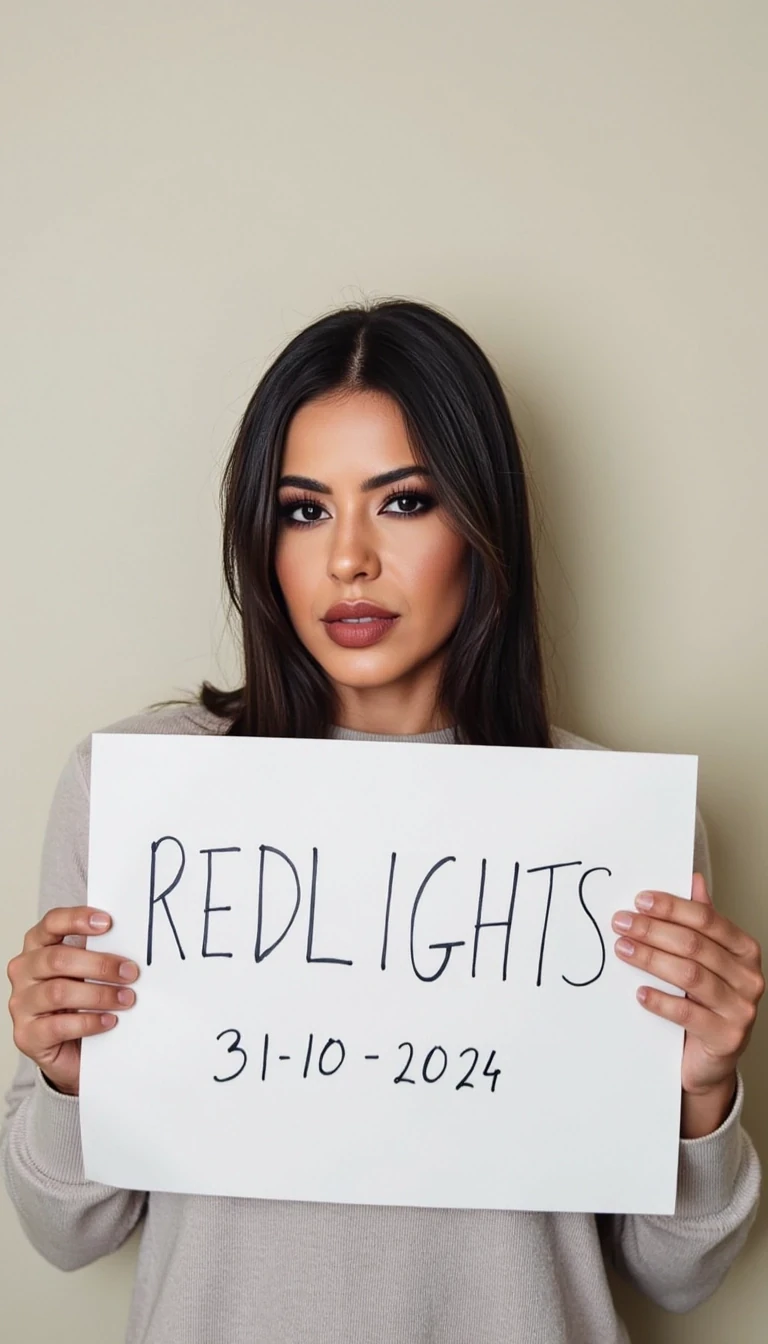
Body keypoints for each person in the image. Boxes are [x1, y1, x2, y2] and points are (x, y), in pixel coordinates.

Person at [2, 297, 763, 1343]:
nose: (349, 558)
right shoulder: (142, 790)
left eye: (403, 502)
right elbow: (70, 1232)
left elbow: (674, 1277)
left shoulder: (616, 828)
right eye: (305, 509)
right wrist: (64, 1073)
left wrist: (702, 1095)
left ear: (480, 522)